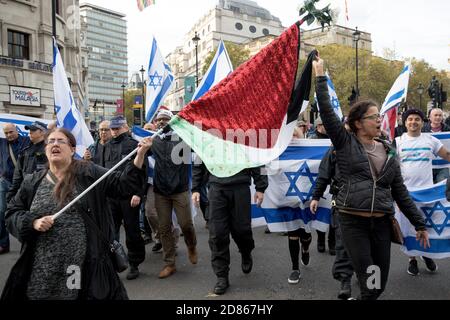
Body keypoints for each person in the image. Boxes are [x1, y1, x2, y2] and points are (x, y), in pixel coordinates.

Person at [314, 56, 429, 300]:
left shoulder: (388, 150)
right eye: (373, 117)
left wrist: (419, 223)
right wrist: (320, 77)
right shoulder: (344, 144)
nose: (379, 120)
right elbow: (327, 111)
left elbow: (400, 192)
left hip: (381, 225)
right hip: (353, 222)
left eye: (379, 116)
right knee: (368, 280)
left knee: (378, 282)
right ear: (357, 123)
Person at [1, 128, 149, 300]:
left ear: (72, 149)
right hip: (42, 269)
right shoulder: (32, 181)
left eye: (60, 141)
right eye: (51, 141)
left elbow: (124, 185)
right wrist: (32, 222)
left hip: (81, 267)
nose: (55, 144)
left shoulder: (89, 173)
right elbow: (12, 213)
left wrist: (139, 156)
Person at [192, 161, 268, 295]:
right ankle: (222, 276)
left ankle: (246, 251)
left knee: (242, 231)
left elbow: (260, 159)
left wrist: (261, 187)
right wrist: (196, 188)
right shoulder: (208, 139)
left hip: (240, 187)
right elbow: (199, 160)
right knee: (217, 234)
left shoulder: (247, 139)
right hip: (216, 188)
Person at [394, 108, 450, 276]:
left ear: (422, 122)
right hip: (406, 194)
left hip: (428, 194)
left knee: (427, 226)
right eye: (410, 119)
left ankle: (426, 254)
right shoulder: (397, 142)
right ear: (405, 122)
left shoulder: (430, 140)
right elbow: (389, 166)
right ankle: (412, 259)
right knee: (408, 228)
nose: (413, 122)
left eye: (417, 119)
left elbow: (446, 154)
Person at [148, 109, 198, 279]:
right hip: (161, 191)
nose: (161, 122)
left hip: (180, 189)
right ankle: (169, 263)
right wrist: (142, 146)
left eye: (165, 119)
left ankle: (191, 246)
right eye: (158, 120)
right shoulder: (153, 140)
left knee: (186, 224)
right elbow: (139, 156)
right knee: (164, 228)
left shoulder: (183, 139)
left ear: (172, 122)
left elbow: (197, 145)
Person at [103, 115, 146, 280]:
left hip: (129, 196)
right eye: (112, 128)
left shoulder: (134, 145)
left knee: (132, 231)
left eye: (117, 128)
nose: (114, 131)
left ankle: (134, 263)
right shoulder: (105, 147)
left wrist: (138, 193)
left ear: (125, 127)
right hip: (111, 196)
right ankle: (115, 262)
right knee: (110, 232)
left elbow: (142, 172)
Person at [310, 146, 354, 299]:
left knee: (370, 245)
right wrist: (316, 196)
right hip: (342, 201)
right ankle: (345, 281)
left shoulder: (379, 146)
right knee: (342, 240)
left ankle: (370, 283)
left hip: (371, 206)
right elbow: (324, 174)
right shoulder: (335, 149)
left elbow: (393, 178)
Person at [0, 124, 29, 254]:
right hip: (5, 182)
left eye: (11, 132)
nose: (8, 135)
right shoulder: (1, 143)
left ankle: (28, 244)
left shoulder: (27, 141)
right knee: (2, 213)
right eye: (6, 133)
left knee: (27, 212)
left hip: (24, 183)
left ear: (17, 130)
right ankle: (3, 244)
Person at [308, 116, 335, 254]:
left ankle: (332, 242)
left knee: (332, 214)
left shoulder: (335, 139)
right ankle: (320, 239)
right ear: (319, 125)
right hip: (318, 181)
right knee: (320, 212)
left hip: (332, 181)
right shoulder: (311, 140)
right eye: (325, 124)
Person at [7, 121, 48, 202]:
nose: (30, 132)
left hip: (41, 193)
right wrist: (11, 193)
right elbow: (17, 175)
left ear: (42, 132)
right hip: (24, 191)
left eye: (33, 130)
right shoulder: (25, 150)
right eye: (29, 130)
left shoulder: (50, 150)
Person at [422, 108, 450, 183]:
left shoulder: (448, 129)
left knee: (442, 187)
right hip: (427, 165)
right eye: (435, 115)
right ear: (430, 117)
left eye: (440, 115)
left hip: (443, 165)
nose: (438, 117)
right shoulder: (422, 130)